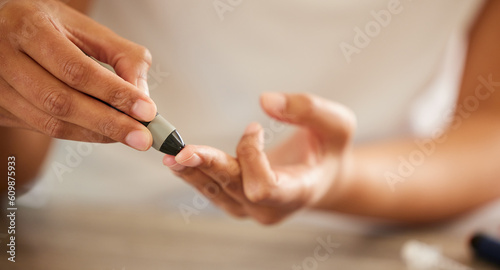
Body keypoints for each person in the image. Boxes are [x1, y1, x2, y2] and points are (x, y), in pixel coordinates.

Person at [1, 0, 499, 225]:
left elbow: (489, 130)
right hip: (85, 223)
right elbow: (14, 171)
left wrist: (338, 176)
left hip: (367, 232)